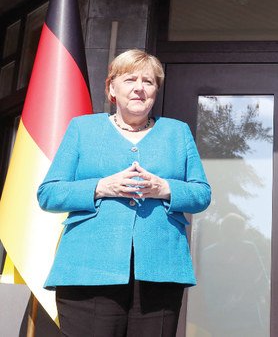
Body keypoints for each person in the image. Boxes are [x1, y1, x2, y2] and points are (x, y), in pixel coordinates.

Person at [37, 49, 211, 337]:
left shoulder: (177, 133)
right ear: (111, 88)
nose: (140, 88)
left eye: (149, 81)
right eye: (130, 79)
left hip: (160, 271)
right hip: (88, 269)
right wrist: (101, 187)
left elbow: (201, 194)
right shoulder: (82, 129)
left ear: (156, 91)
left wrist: (164, 188)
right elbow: (48, 193)